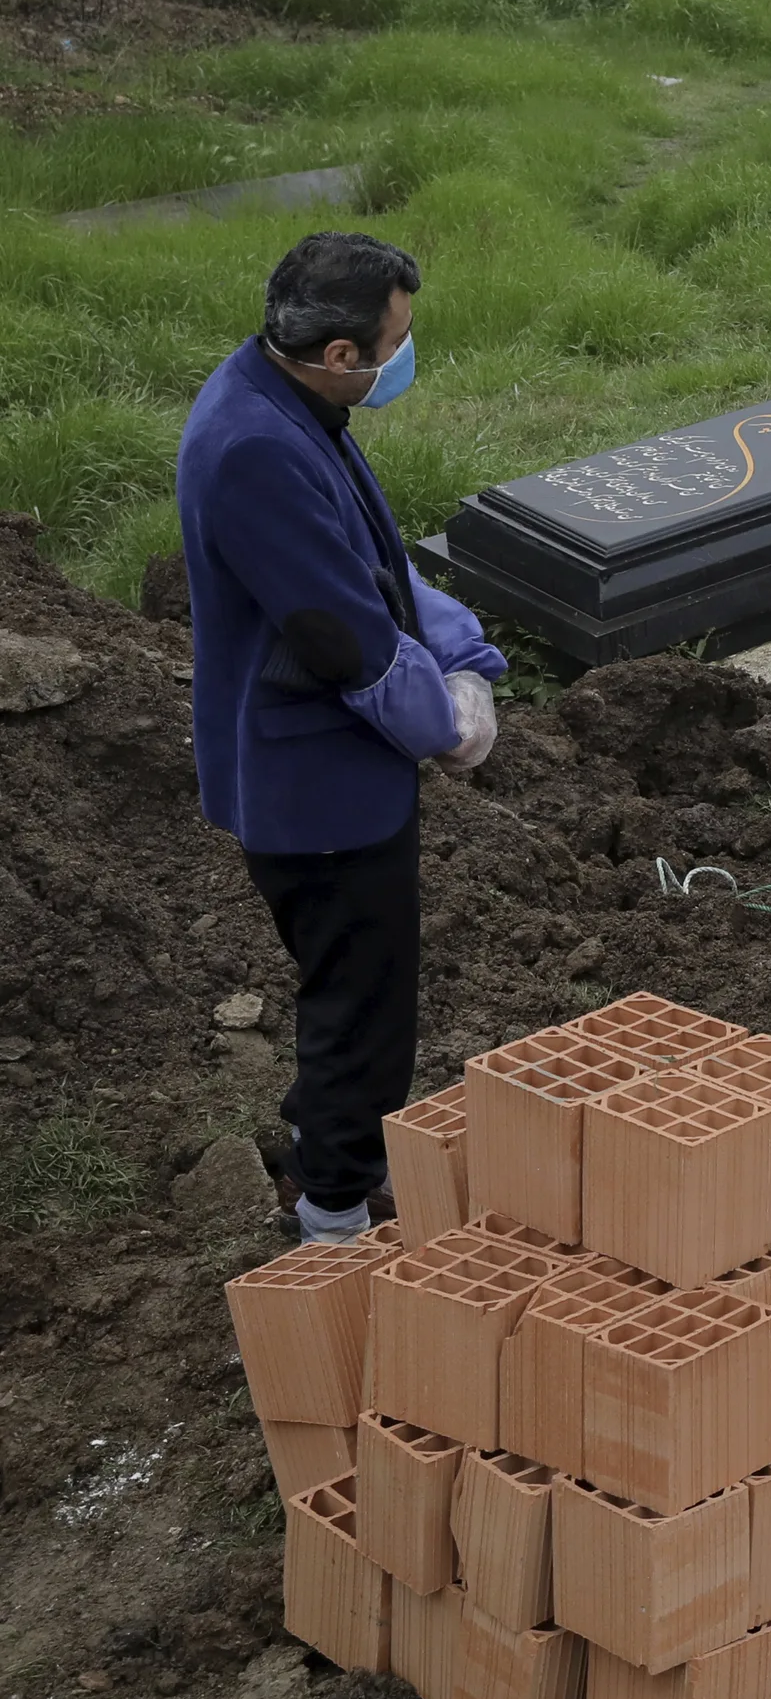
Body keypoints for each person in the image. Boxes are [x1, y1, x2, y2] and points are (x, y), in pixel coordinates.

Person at [178, 233, 507, 1243]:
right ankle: (333, 1211)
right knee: (359, 1002)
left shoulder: (287, 401)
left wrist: (463, 646)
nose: (405, 355)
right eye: (396, 340)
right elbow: (345, 636)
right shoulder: (254, 452)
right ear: (337, 352)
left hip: (322, 767)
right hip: (313, 785)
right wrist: (445, 719)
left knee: (356, 983)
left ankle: (333, 1166)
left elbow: (375, 565)